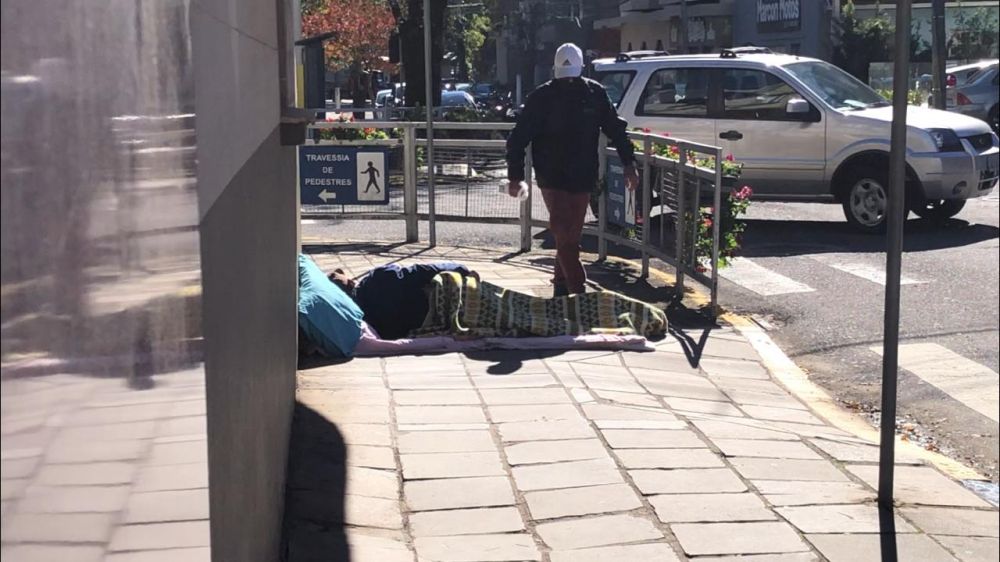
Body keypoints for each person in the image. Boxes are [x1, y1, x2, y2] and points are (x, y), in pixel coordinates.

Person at [506, 42, 639, 297]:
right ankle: (579, 292)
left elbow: (615, 128)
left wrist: (628, 163)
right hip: (554, 176)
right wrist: (515, 176)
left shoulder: (591, 93)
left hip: (579, 174)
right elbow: (518, 138)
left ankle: (560, 288)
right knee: (564, 231)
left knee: (569, 236)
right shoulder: (546, 97)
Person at [328, 262, 477, 340]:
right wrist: (460, 268)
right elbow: (419, 271)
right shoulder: (377, 277)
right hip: (448, 295)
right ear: (351, 282)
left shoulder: (366, 323)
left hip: (438, 321)